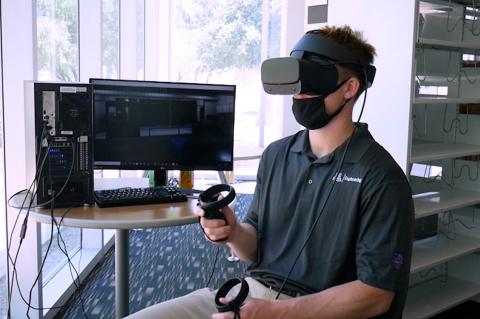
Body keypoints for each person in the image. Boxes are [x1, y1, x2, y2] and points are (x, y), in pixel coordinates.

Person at [127, 25, 414, 319]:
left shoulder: (380, 177)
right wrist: (233, 231)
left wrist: (277, 313)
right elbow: (254, 250)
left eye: (311, 79)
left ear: (349, 88)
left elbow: (376, 295)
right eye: (295, 80)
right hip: (250, 296)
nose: (299, 93)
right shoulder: (276, 155)